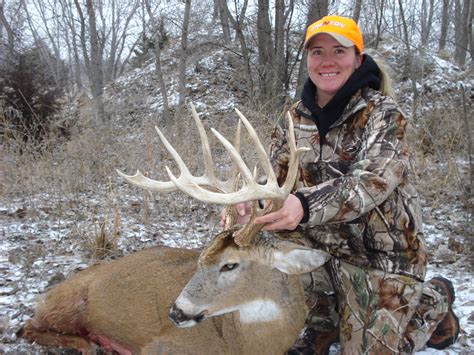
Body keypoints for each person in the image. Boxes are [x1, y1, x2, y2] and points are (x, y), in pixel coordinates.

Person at [222, 15, 460, 354]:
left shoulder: (384, 114)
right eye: (317, 52)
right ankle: (325, 323)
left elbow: (372, 182)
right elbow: (277, 183)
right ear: (307, 60)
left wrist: (303, 205)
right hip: (318, 248)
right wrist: (250, 203)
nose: (327, 61)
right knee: (252, 264)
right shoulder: (293, 118)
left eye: (339, 50)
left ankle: (430, 301)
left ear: (357, 59)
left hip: (379, 258)